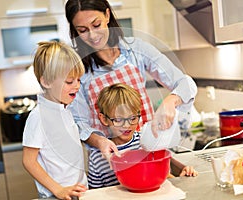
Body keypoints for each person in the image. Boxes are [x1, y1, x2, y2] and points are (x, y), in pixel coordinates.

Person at [65, 0, 197, 158]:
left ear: (107, 15)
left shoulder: (137, 50)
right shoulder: (78, 69)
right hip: (108, 162)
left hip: (149, 153)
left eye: (96, 25)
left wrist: (171, 101)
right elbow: (79, 122)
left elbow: (185, 83)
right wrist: (100, 142)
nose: (92, 35)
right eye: (83, 30)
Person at [87, 83, 198, 188]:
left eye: (133, 118)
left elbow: (163, 171)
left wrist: (183, 172)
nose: (127, 125)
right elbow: (94, 194)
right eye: (119, 119)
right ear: (104, 119)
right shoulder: (97, 156)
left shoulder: (146, 142)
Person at [22, 41, 88, 199]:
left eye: (78, 80)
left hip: (77, 191)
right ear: (46, 82)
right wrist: (58, 190)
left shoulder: (65, 109)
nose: (77, 86)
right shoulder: (39, 116)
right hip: (56, 195)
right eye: (69, 82)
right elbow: (29, 161)